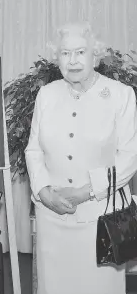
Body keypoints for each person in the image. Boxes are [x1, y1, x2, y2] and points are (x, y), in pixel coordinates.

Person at [25, 21, 137, 294]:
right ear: (58, 58)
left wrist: (84, 192)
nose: (72, 60)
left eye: (80, 52)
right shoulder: (46, 95)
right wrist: (44, 192)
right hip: (52, 219)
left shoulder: (121, 96)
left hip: (101, 221)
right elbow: (33, 150)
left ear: (94, 55)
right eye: (65, 53)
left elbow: (129, 158)